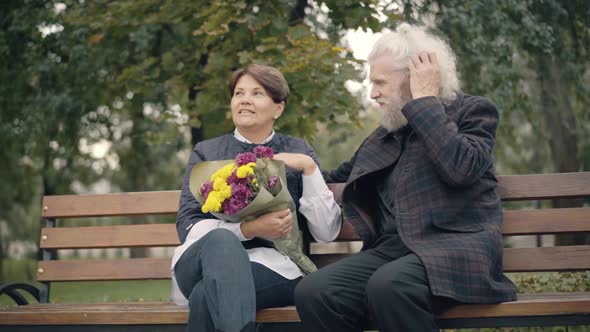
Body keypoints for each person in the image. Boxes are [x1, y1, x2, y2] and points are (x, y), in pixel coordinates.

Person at [294, 23, 517, 331]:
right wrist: (290, 170)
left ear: (415, 77)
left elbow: (461, 168)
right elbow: (337, 176)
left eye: (380, 83)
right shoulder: (383, 136)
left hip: (457, 247)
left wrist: (423, 102)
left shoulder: (474, 112)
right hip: (393, 252)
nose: (373, 94)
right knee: (316, 292)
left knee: (390, 286)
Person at [171, 64, 342, 332]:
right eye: (239, 93)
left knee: (205, 295)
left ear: (278, 108)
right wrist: (248, 230)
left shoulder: (298, 151)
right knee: (221, 241)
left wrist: (308, 167)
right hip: (201, 262)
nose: (245, 100)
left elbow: (327, 233)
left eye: (257, 93)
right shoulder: (207, 152)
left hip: (276, 265)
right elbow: (187, 225)